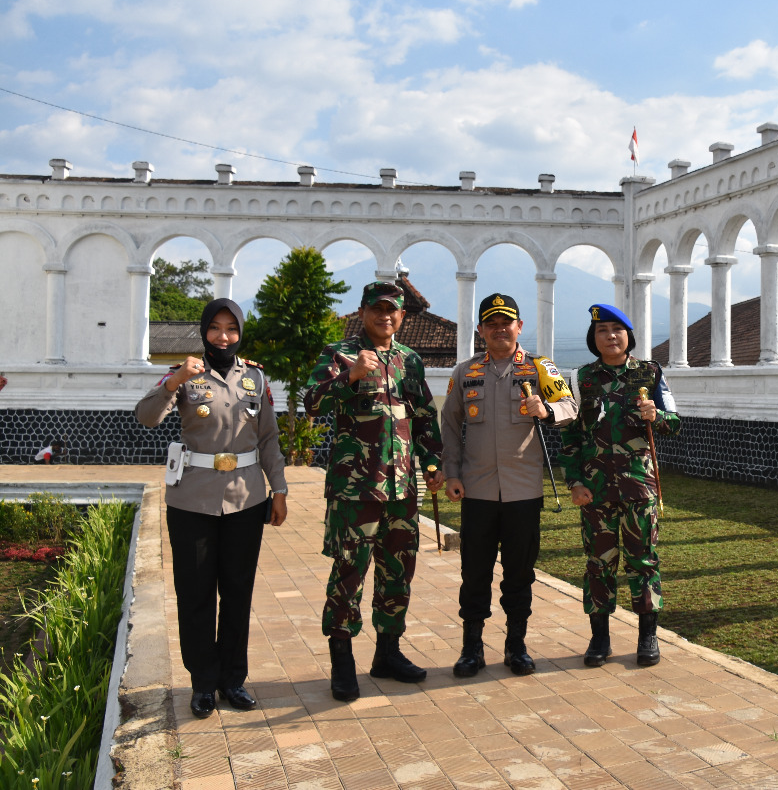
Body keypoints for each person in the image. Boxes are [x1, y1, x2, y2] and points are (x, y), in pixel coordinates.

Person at [135, 298, 288, 719]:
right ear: (204, 332)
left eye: (231, 329)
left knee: (238, 591)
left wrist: (280, 489)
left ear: (240, 333)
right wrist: (175, 380)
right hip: (192, 500)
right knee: (196, 592)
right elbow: (146, 416)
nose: (224, 336)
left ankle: (232, 680)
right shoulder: (185, 374)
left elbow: (268, 439)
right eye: (215, 328)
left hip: (245, 497)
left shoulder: (255, 378)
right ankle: (203, 682)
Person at [304, 281, 443, 702]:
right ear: (362, 311)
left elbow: (423, 416)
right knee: (349, 571)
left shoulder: (410, 360)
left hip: (402, 488)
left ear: (402, 316)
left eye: (393, 310)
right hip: (355, 488)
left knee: (398, 569)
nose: (385, 316)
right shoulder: (339, 353)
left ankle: (388, 651)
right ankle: (342, 659)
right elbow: (312, 403)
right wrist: (351, 375)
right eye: (377, 309)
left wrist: (434, 462)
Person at [441, 293, 577, 677]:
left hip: (523, 491)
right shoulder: (465, 371)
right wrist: (452, 473)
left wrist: (547, 410)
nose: (500, 329)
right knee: (475, 572)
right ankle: (472, 648)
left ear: (519, 326)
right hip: (477, 491)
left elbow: (570, 407)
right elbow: (449, 426)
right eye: (492, 323)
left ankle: (516, 646)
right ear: (480, 330)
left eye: (507, 322)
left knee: (519, 573)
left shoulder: (539, 367)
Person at [559, 304, 680, 668]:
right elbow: (571, 436)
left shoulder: (651, 373)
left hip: (639, 488)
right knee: (599, 564)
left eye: (617, 330)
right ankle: (600, 639)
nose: (610, 336)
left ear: (628, 336)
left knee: (643, 562)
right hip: (596, 491)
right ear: (593, 339)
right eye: (602, 331)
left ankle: (648, 637)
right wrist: (575, 481)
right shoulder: (581, 379)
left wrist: (657, 416)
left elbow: (675, 421)